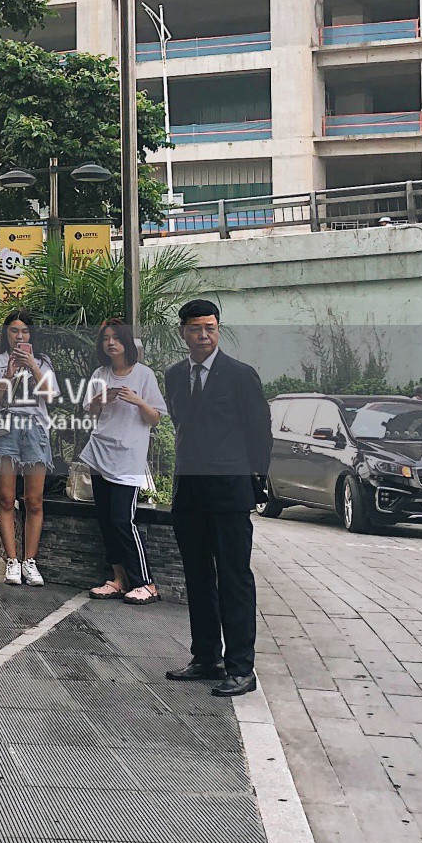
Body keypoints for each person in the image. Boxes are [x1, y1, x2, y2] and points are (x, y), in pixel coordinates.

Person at [163, 298, 271, 697]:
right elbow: (181, 424)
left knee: (234, 577)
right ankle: (206, 657)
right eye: (196, 328)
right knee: (197, 577)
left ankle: (241, 668)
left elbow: (259, 432)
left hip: (229, 493)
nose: (203, 335)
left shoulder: (240, 375)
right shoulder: (175, 375)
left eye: (210, 328)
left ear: (218, 329)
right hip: (189, 493)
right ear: (183, 332)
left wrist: (256, 483)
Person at [82, 320, 166, 604]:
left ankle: (145, 583)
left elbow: (155, 418)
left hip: (128, 458)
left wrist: (138, 401)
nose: (110, 343)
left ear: (126, 342)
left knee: (122, 520)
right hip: (99, 453)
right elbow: (91, 414)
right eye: (106, 338)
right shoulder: (100, 374)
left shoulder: (144, 375)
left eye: (116, 338)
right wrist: (99, 401)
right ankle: (118, 579)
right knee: (106, 521)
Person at [0, 311, 56, 586]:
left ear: (31, 335)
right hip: (5, 429)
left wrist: (33, 367)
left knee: (34, 499)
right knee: (6, 498)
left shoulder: (43, 362)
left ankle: (30, 561)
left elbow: (50, 396)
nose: (19, 336)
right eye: (14, 331)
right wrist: (8, 375)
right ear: (6, 334)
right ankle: (12, 561)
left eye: (24, 331)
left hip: (35, 431)